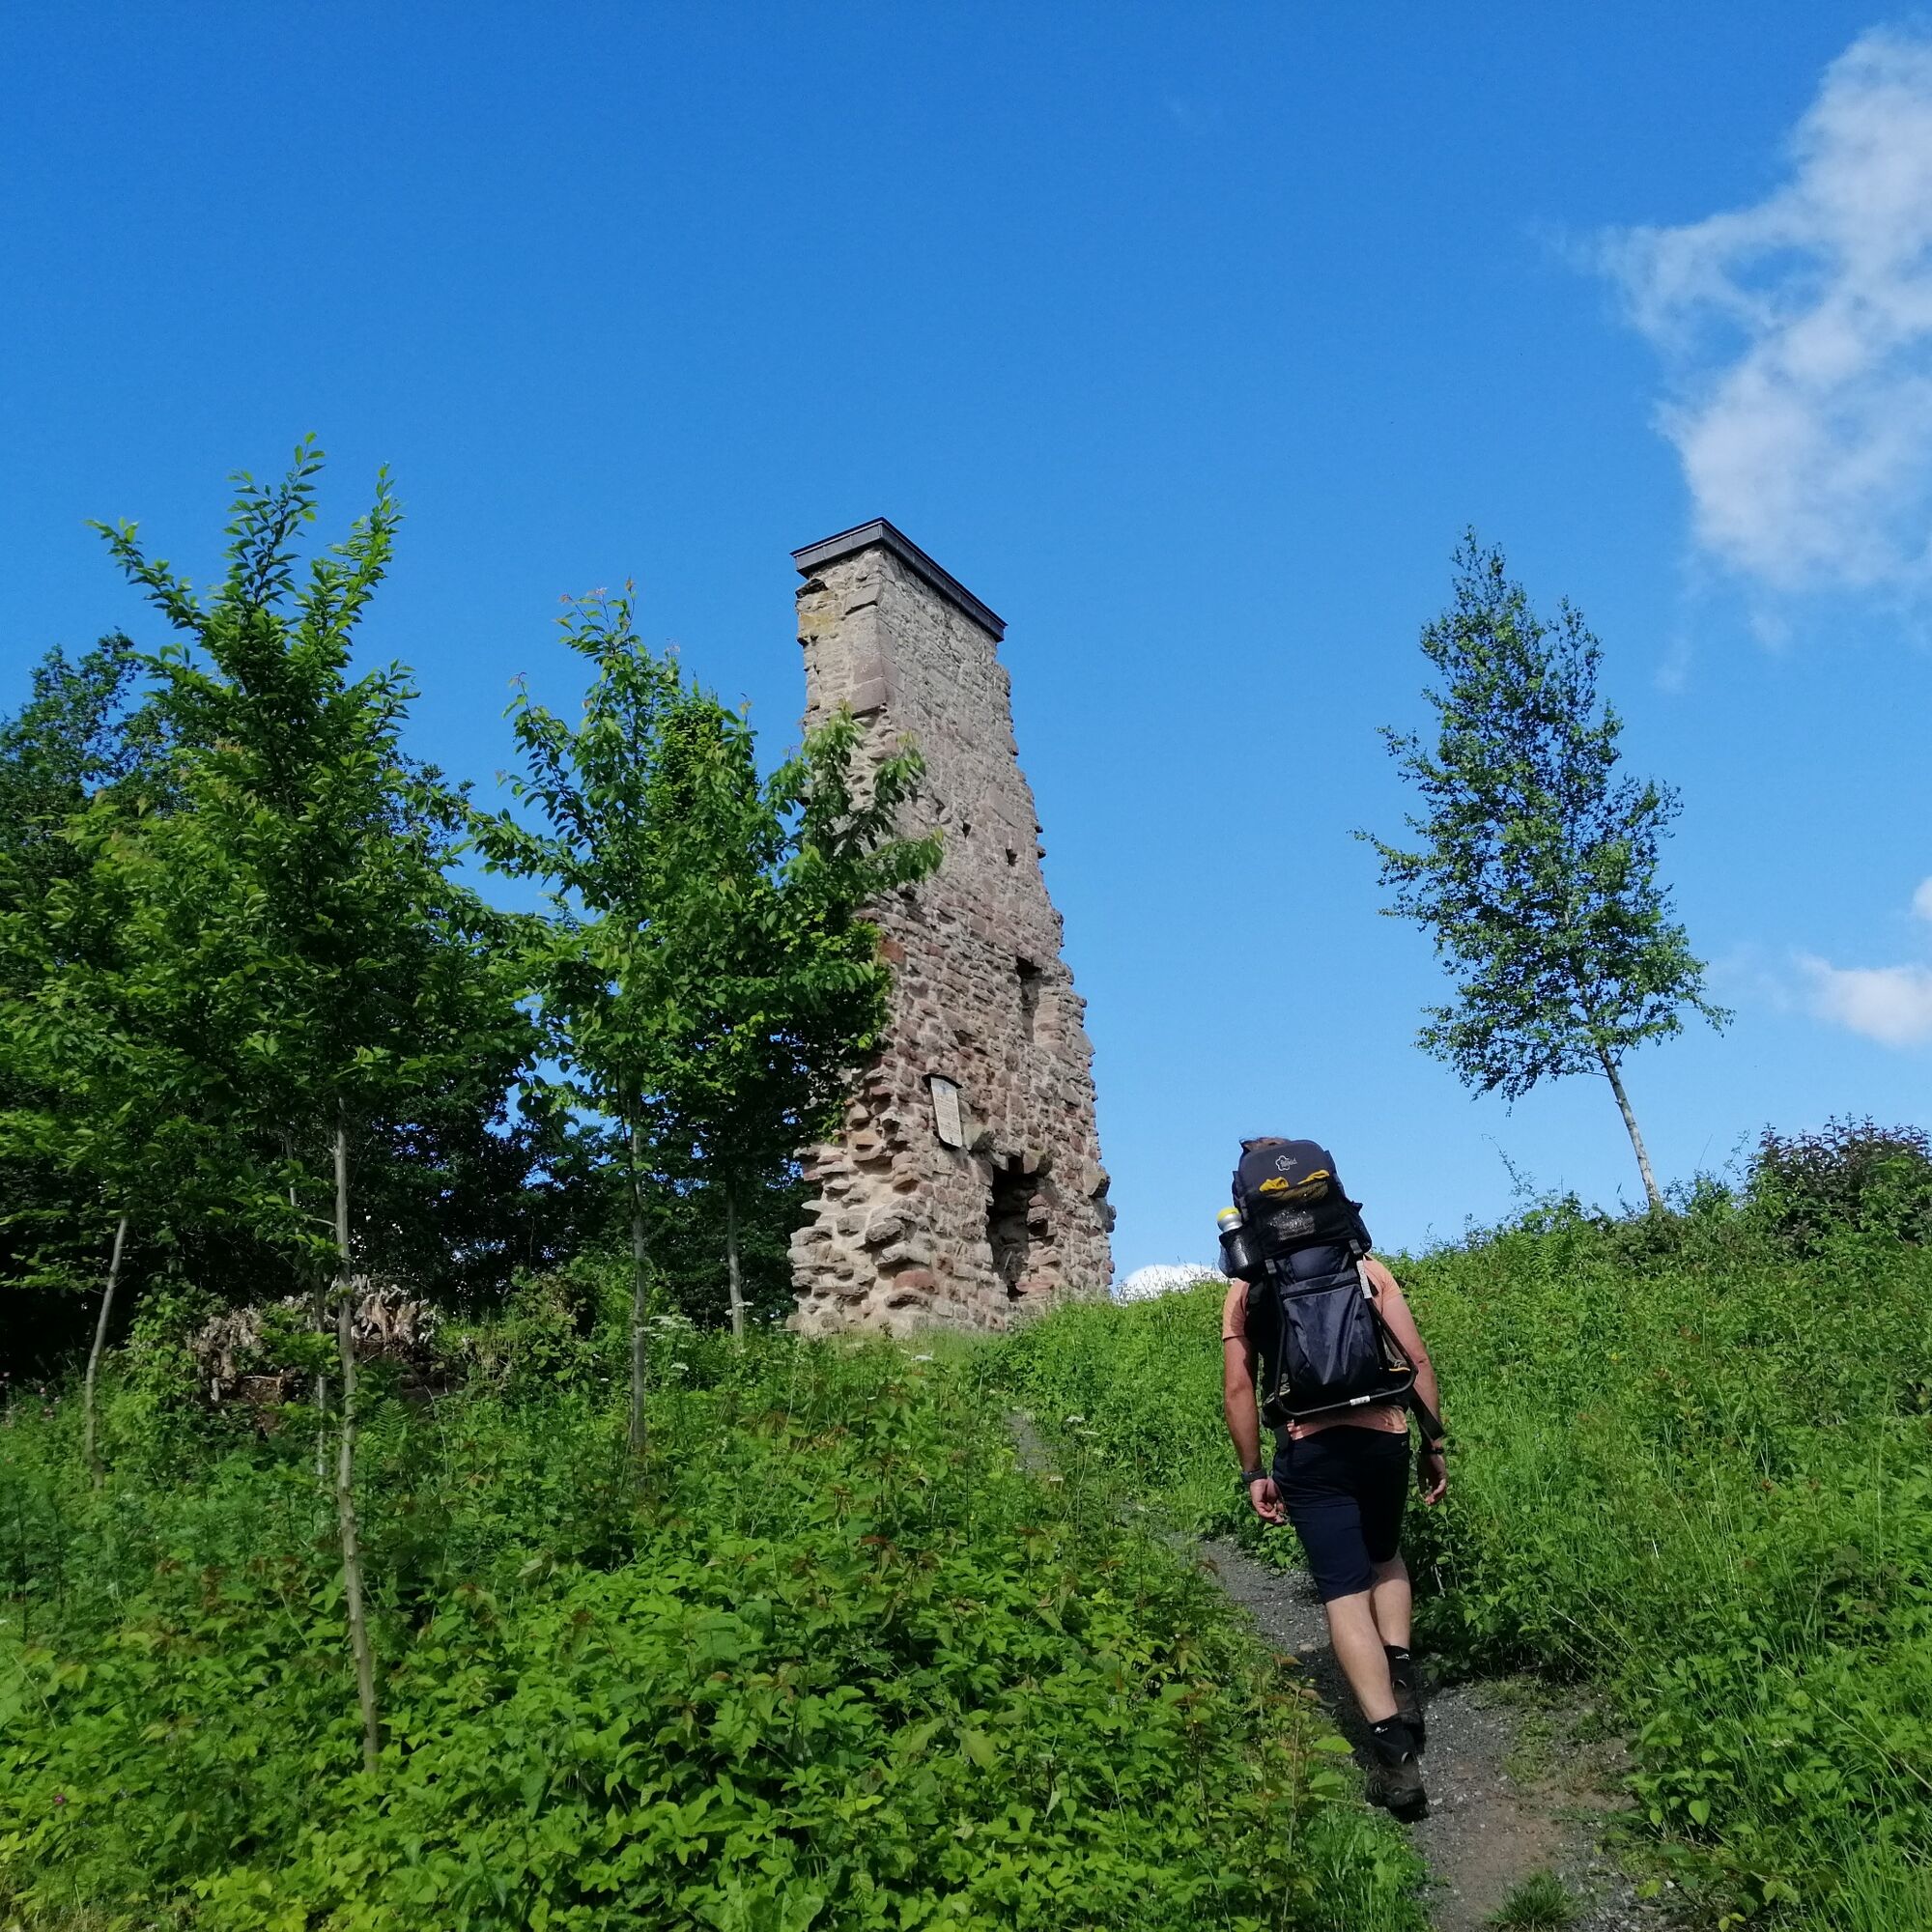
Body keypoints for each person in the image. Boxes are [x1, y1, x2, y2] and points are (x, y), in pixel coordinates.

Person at [1221, 1191, 1446, 1819]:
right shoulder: (1365, 1265)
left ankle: (1395, 1760)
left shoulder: (1246, 1287)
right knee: (1385, 1556)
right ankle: (1401, 1678)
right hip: (1385, 1438)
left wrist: (1254, 1472)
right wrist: (1433, 1444)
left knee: (1344, 1592)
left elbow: (1239, 1388)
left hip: (1308, 1450)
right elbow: (1416, 1358)